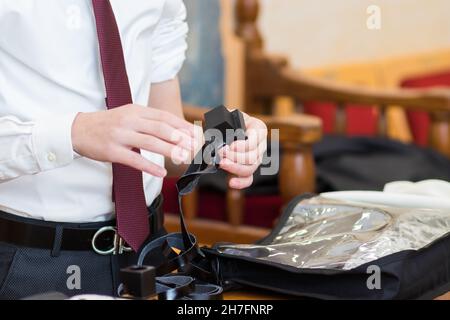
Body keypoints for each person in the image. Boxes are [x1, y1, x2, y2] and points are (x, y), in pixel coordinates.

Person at [0, 0, 267, 299]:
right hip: (28, 263)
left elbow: (167, 147)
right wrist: (73, 134)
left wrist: (227, 145)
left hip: (149, 255)